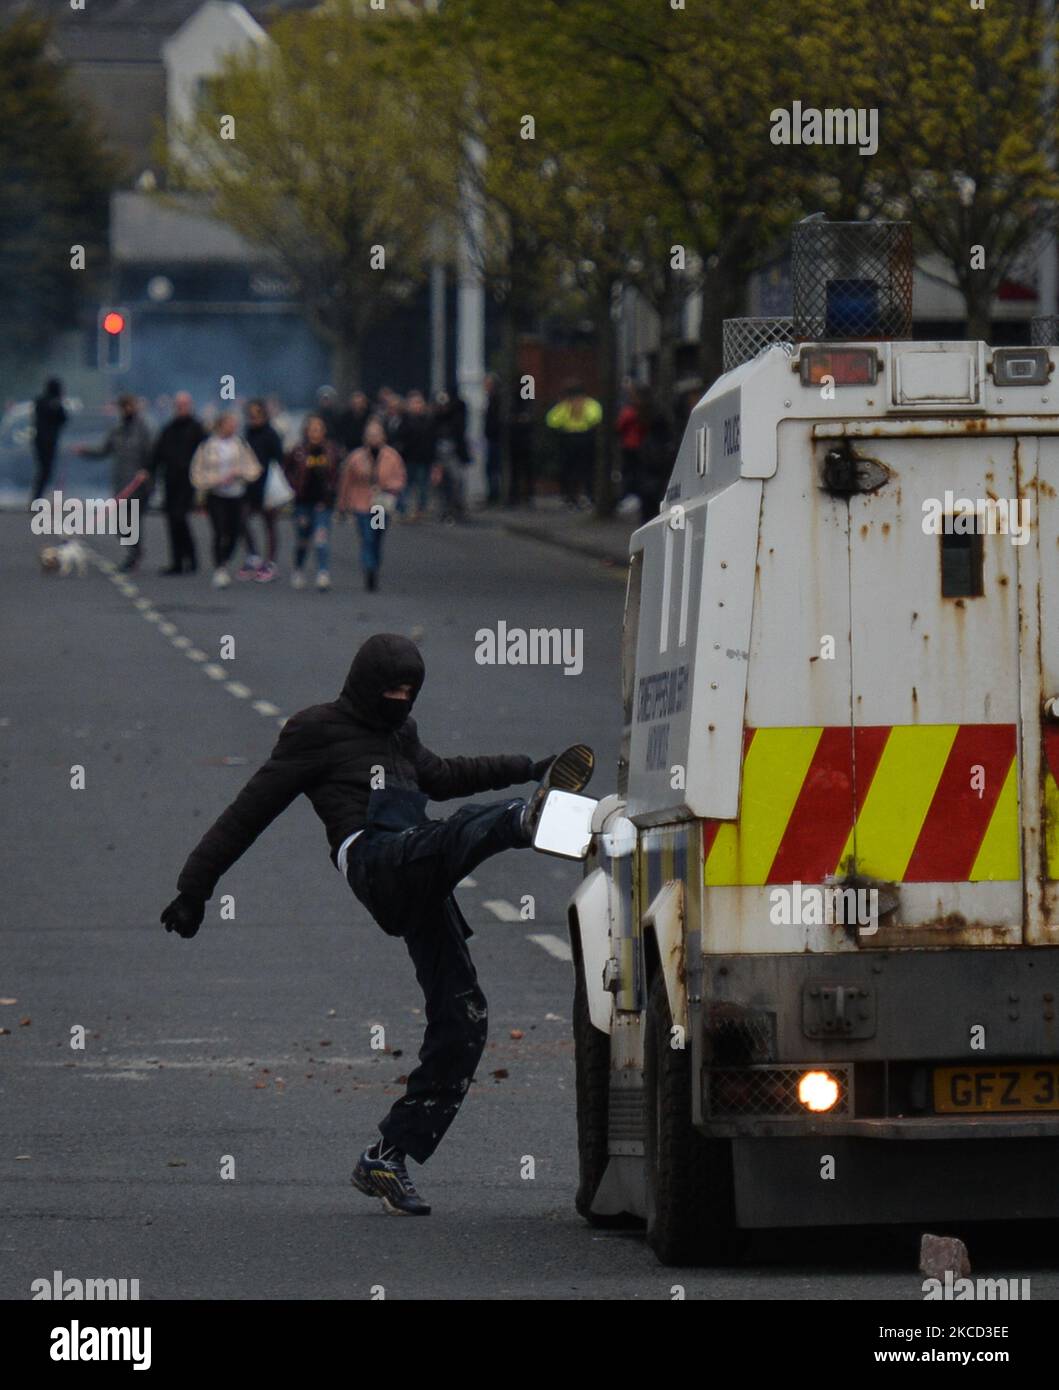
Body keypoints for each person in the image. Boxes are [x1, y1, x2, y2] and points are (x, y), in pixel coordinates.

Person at [160, 630, 595, 1216]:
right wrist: (195, 889)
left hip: (417, 875)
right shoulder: (315, 730)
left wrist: (528, 766)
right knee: (455, 831)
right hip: (375, 859)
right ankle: (528, 820)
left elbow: (445, 775)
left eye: (409, 691)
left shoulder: (401, 733)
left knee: (464, 1017)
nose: (399, 699)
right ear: (364, 683)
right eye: (389, 689)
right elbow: (248, 811)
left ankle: (388, 1156)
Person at [77, 394, 153, 571]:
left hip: (138, 484)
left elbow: (152, 454)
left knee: (132, 520)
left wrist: (147, 472)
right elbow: (104, 450)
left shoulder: (144, 429)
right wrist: (84, 451)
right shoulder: (117, 430)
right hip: (120, 483)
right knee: (120, 524)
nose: (127, 410)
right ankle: (135, 550)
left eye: (129, 406)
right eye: (124, 407)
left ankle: (133, 555)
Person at [189, 412, 262, 589]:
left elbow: (254, 467)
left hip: (237, 494)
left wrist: (241, 474)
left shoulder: (240, 444)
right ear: (221, 425)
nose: (233, 427)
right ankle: (219, 567)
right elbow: (197, 472)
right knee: (219, 530)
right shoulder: (208, 445)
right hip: (216, 495)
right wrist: (212, 481)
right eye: (230, 424)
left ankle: (226, 557)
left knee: (236, 531)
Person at [337, 416, 406, 591]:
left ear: (383, 436)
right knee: (366, 537)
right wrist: (342, 505)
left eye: (377, 434)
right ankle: (369, 568)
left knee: (376, 537)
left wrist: (388, 486)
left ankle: (374, 563)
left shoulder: (391, 456)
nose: (374, 438)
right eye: (370, 435)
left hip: (380, 506)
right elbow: (346, 481)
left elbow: (400, 478)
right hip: (360, 503)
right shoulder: (356, 458)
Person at [151, 391, 206, 575]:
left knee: (179, 517)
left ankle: (190, 557)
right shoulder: (168, 429)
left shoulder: (197, 429)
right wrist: (148, 471)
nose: (181, 408)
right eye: (178, 405)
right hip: (170, 480)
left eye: (184, 405)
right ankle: (177, 561)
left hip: (188, 482)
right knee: (172, 521)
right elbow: (157, 453)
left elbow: (205, 454)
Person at [285, 413, 340, 591]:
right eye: (312, 429)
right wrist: (293, 489)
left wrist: (335, 496)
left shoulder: (331, 450)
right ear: (306, 431)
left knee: (321, 538)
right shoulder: (298, 451)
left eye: (319, 429)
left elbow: (337, 475)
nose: (315, 433)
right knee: (303, 539)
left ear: (324, 431)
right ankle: (298, 569)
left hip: (323, 504)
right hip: (303, 503)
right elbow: (287, 471)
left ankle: (323, 573)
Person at [241, 399, 285, 583]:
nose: (253, 417)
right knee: (241, 520)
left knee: (270, 525)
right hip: (249, 487)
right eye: (250, 413)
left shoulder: (271, 434)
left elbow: (279, 460)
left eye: (257, 413)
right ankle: (253, 556)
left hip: (267, 486)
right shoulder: (247, 434)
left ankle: (270, 563)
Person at [545, 381, 602, 508]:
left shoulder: (591, 405)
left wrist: (582, 412)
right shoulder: (565, 406)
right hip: (568, 438)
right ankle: (570, 496)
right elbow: (551, 420)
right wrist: (568, 410)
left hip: (586, 437)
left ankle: (589, 495)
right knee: (569, 469)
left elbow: (595, 418)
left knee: (587, 468)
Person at [432, 389, 470, 523]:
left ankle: (457, 507)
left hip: (454, 455)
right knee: (442, 485)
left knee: (456, 481)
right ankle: (445, 509)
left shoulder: (455, 418)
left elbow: (461, 416)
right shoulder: (436, 419)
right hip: (439, 457)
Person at [399, 390, 436, 520]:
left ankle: (421, 509)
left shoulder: (429, 420)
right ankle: (405, 509)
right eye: (414, 403)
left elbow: (432, 440)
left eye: (419, 403)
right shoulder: (404, 420)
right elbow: (400, 437)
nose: (417, 406)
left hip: (424, 458)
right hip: (409, 458)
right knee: (407, 485)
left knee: (423, 485)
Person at [31, 378, 67, 502]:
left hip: (44, 441)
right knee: (45, 471)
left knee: (45, 471)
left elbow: (63, 418)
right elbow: (61, 418)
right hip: (45, 441)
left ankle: (37, 498)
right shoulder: (47, 403)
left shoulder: (43, 401)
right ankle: (36, 498)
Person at [615, 381, 646, 504]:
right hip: (635, 445)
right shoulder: (640, 411)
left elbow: (619, 426)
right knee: (634, 471)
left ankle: (630, 494)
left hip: (631, 445)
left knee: (630, 471)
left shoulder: (628, 411)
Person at [483, 373, 502, 505]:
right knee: (491, 468)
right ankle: (493, 494)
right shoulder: (491, 399)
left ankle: (494, 495)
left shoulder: (496, 400)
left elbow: (494, 421)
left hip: (495, 439)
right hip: (492, 438)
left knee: (493, 468)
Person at [336, 389, 370, 454]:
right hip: (348, 449)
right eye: (354, 403)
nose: (357, 406)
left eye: (359, 403)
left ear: (365, 403)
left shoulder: (370, 416)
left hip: (366, 450)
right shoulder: (344, 417)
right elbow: (339, 435)